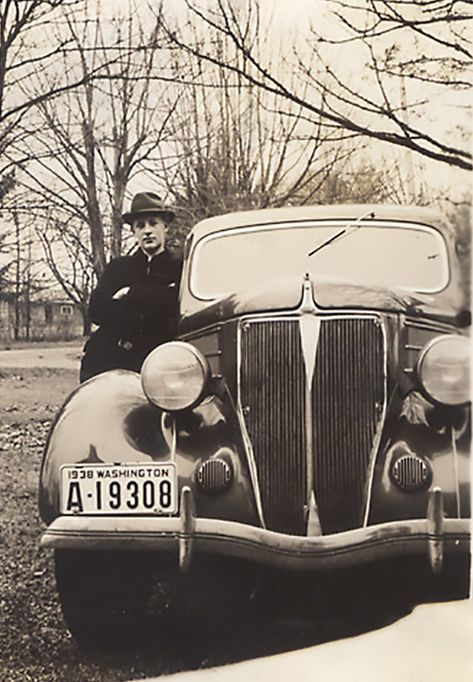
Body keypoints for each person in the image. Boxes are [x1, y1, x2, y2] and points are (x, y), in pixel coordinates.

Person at [80, 192, 182, 382]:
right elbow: (97, 310)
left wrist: (130, 293)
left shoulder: (180, 268)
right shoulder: (118, 268)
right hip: (113, 360)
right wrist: (158, 297)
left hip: (161, 362)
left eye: (153, 223)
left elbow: (177, 305)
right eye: (140, 226)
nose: (147, 231)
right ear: (134, 231)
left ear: (165, 226)